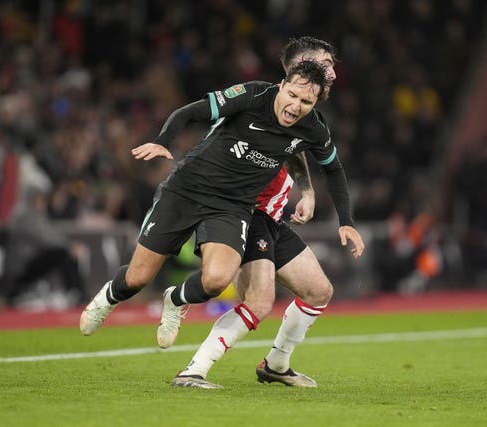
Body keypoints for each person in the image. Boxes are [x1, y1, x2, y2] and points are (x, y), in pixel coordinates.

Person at [80, 60, 342, 354]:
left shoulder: (312, 128)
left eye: (306, 101)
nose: (296, 105)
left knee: (217, 280)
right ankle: (108, 297)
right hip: (187, 190)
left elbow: (327, 166)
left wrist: (342, 219)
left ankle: (175, 300)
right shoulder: (252, 95)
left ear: (315, 102)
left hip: (232, 206)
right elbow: (191, 111)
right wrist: (163, 141)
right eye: (292, 95)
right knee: (138, 278)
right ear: (282, 85)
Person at [170, 37, 365, 389]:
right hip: (244, 211)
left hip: (273, 217)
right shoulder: (259, 99)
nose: (333, 71)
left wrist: (307, 191)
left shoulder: (302, 113)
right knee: (258, 301)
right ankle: (193, 369)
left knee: (319, 291)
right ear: (300, 67)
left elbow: (293, 146)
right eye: (326, 63)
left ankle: (276, 365)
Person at [4, 186, 90, 307]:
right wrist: (69, 246)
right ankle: (77, 293)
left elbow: (52, 233)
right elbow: (44, 238)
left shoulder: (38, 216)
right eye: (40, 199)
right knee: (62, 253)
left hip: (31, 262)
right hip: (22, 267)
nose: (42, 203)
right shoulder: (25, 217)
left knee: (64, 252)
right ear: (33, 200)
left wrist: (70, 245)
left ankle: (78, 293)